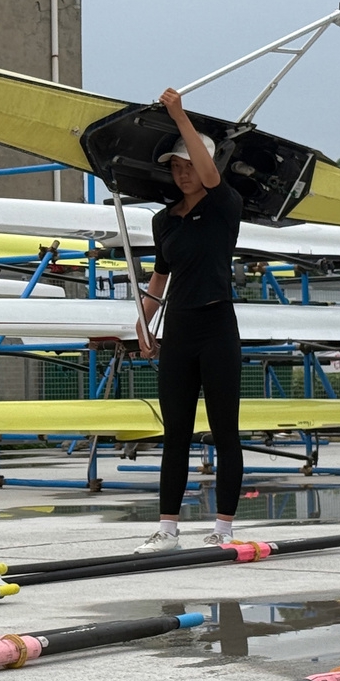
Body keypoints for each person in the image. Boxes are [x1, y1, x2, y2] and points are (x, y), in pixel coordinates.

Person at [134, 87, 244, 554]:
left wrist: (179, 116)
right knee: (175, 432)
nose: (182, 173)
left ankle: (223, 529)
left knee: (224, 430)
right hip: (178, 330)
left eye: (189, 165)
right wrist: (143, 324)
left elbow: (212, 175)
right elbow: (160, 277)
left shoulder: (224, 205)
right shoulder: (164, 221)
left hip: (217, 326)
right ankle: (168, 530)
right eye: (175, 167)